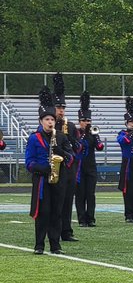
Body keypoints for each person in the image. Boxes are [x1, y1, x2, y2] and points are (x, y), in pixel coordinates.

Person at [25, 87, 65, 254]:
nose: (50, 122)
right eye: (47, 119)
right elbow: (29, 163)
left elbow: (70, 156)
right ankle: (39, 245)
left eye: (52, 120)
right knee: (43, 212)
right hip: (41, 180)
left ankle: (55, 245)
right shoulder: (34, 138)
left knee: (56, 212)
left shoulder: (60, 137)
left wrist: (61, 154)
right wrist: (44, 168)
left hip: (57, 179)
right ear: (41, 121)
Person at [52, 73, 79, 242]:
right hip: (54, 168)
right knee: (56, 201)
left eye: (63, 108)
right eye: (58, 107)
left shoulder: (69, 125)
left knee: (68, 200)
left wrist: (70, 140)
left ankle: (66, 231)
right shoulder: (49, 123)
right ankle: (54, 230)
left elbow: (78, 147)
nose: (61, 110)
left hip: (68, 168)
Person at [73, 92, 104, 228]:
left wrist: (96, 137)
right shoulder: (76, 133)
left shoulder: (93, 133)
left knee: (90, 194)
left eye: (88, 121)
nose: (87, 123)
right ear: (80, 121)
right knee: (80, 194)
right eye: (84, 120)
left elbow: (100, 148)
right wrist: (84, 136)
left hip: (91, 167)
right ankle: (81, 219)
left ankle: (90, 218)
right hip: (79, 168)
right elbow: (77, 148)